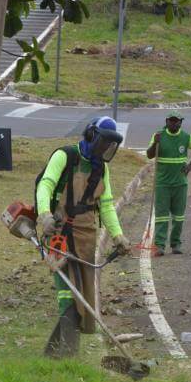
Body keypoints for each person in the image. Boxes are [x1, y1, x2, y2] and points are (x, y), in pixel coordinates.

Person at [35, 116, 132, 358]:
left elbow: (106, 205)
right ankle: (67, 355)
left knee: (84, 293)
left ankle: (55, 354)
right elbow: (45, 185)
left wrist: (118, 236)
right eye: (101, 143)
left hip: (87, 235)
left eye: (109, 146)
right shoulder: (65, 156)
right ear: (90, 135)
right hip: (60, 233)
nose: (103, 150)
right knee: (68, 293)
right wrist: (44, 215)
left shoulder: (102, 168)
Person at [146, 110, 191, 255]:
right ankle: (159, 246)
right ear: (166, 122)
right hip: (162, 184)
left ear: (180, 122)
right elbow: (149, 155)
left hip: (180, 184)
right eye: (170, 120)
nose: (173, 123)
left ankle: (176, 244)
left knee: (179, 217)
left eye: (176, 121)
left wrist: (190, 166)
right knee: (161, 216)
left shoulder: (186, 137)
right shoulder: (158, 135)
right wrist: (155, 143)